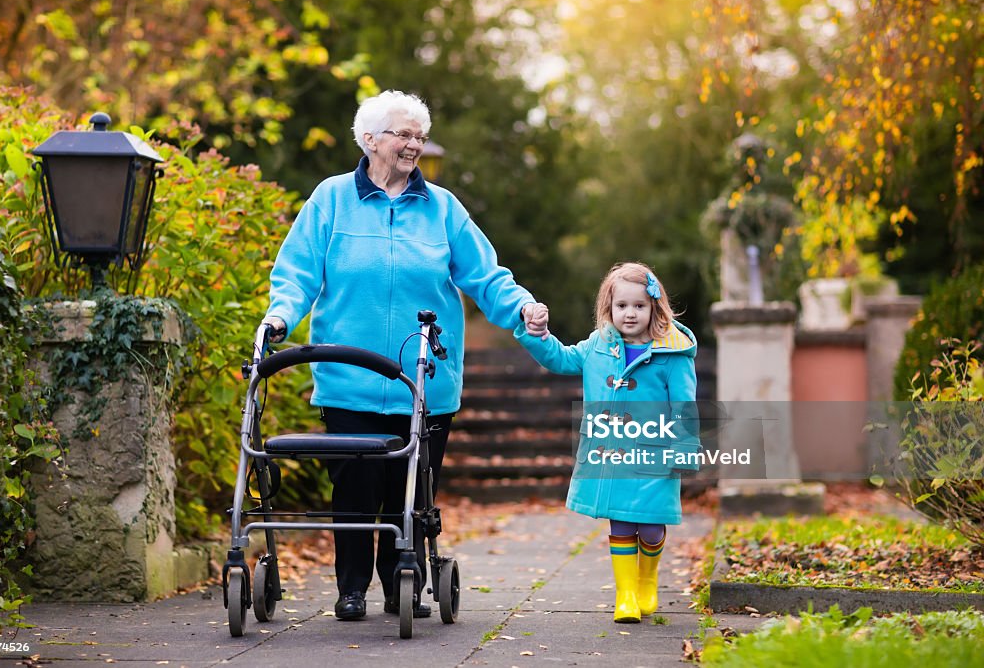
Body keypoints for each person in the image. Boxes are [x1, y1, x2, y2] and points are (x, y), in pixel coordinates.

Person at [262, 90, 549, 621]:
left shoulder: (442, 208)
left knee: (411, 488)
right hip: (348, 374)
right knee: (353, 487)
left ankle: (403, 583)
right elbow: (297, 273)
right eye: (403, 134)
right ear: (370, 140)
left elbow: (486, 276)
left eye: (419, 135)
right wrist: (280, 316)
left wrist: (524, 309)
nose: (414, 144)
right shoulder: (330, 200)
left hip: (425, 378)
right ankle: (350, 589)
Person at [514, 262, 700, 623]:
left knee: (649, 525)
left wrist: (685, 446)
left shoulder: (672, 355)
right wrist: (538, 334)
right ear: (609, 308)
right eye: (622, 306)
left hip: (654, 455)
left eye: (639, 306)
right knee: (620, 524)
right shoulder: (598, 347)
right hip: (611, 456)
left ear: (654, 308)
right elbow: (562, 358)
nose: (630, 314)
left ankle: (647, 577)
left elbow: (684, 405)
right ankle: (626, 594)